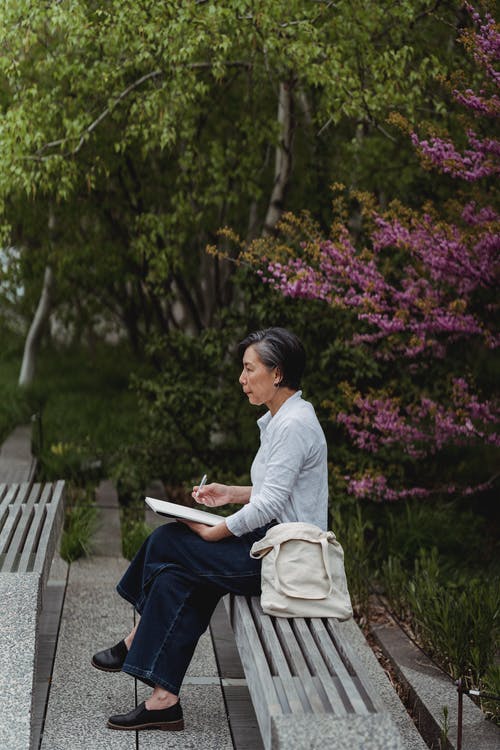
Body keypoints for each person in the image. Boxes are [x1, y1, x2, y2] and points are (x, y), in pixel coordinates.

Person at [92, 326, 328, 731]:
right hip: (268, 541)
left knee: (168, 542)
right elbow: (275, 491)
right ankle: (163, 700)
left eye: (249, 369)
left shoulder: (293, 425)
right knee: (176, 575)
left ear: (277, 373)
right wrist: (229, 494)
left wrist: (214, 531)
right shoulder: (284, 418)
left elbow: (272, 504)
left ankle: (135, 639)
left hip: (281, 558)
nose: (241, 378)